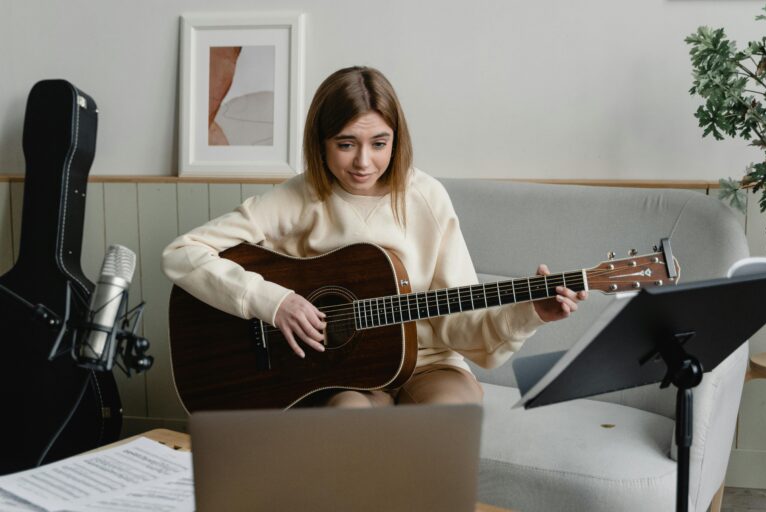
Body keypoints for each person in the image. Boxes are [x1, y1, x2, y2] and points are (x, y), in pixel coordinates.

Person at [162, 66, 587, 408]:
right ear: (322, 144)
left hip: (429, 364)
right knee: (351, 427)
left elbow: (460, 321)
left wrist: (531, 313)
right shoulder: (298, 197)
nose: (364, 162)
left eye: (379, 143)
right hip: (343, 373)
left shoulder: (427, 197)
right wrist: (274, 302)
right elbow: (182, 253)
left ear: (396, 141)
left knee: (449, 418)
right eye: (346, 144)